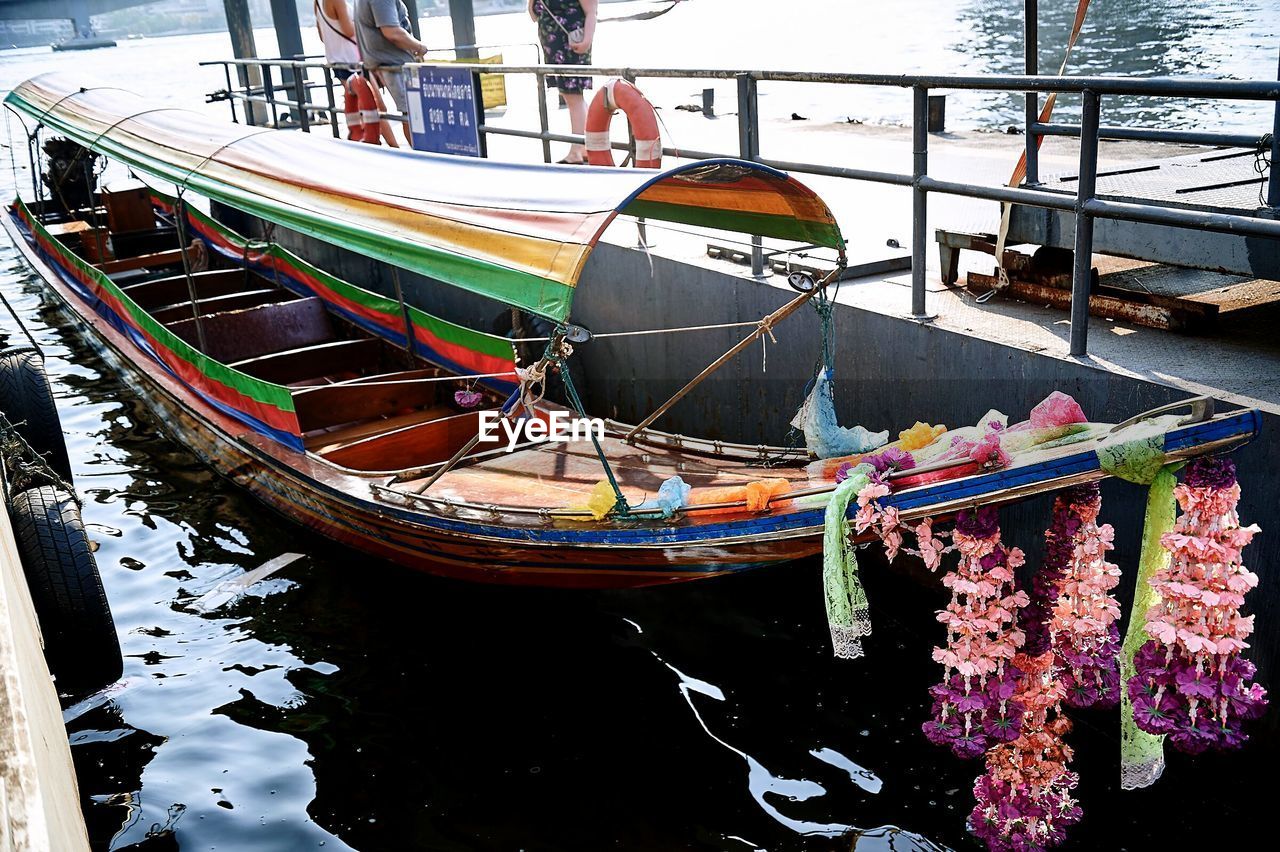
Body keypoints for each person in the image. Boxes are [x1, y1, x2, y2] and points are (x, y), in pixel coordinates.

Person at [314, 0, 398, 146]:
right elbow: (349, 30)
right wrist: (370, 26)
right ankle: (394, 148)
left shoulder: (317, 3)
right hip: (352, 62)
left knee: (362, 108)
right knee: (378, 108)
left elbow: (322, 36)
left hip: (338, 61)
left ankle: (372, 143)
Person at [528, 1, 597, 164]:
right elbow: (534, 15)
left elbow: (592, 12)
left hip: (572, 44)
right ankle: (585, 147)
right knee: (571, 97)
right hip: (555, 48)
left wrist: (586, 41)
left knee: (573, 97)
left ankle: (576, 151)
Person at [354, 0, 429, 147]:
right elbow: (392, 32)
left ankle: (422, 156)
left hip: (383, 64)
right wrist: (420, 47)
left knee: (411, 115)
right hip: (395, 65)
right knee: (413, 115)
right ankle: (423, 158)